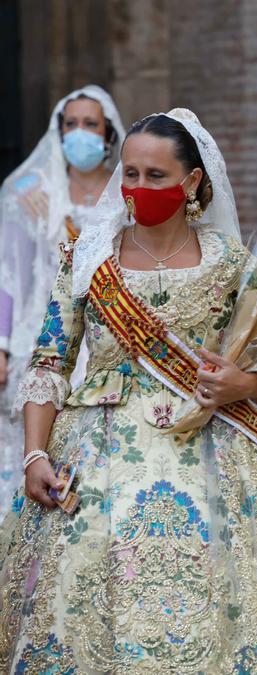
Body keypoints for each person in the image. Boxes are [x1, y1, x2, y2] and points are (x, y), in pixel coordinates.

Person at [0, 109, 257, 672]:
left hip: (214, 447)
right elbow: (49, 361)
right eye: (130, 174)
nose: (138, 189)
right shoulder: (87, 258)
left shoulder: (231, 263)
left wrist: (242, 383)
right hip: (100, 446)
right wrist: (35, 453)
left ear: (191, 181)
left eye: (155, 176)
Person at [0, 86, 125, 519]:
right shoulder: (28, 192)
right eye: (70, 124)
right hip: (40, 335)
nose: (80, 133)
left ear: (109, 133)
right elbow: (7, 272)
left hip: (108, 337)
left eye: (91, 124)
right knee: (32, 445)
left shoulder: (128, 190)